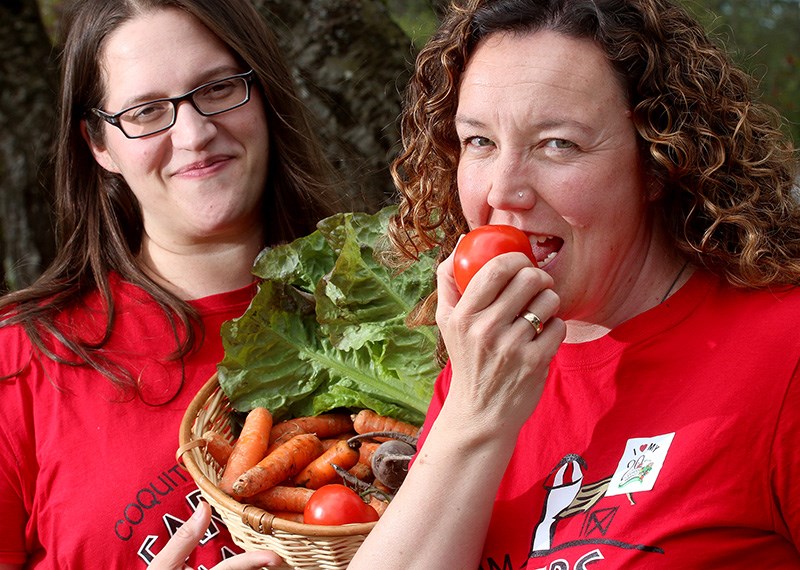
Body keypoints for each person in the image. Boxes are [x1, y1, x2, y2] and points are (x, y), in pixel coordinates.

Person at [350, 0, 800, 567]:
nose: (502, 191)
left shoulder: (784, 355)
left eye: (558, 143)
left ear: (659, 162)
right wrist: (473, 412)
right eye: (479, 142)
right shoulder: (484, 366)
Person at [0, 0, 348, 568]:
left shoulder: (388, 324)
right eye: (145, 111)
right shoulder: (20, 361)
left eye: (216, 88)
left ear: (264, 95)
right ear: (99, 144)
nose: (194, 133)